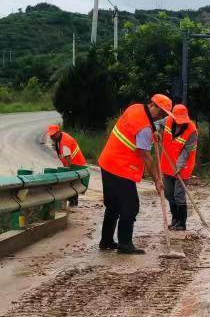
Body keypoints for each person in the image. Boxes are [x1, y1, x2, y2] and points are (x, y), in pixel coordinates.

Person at [97, 94, 172, 254]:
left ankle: (107, 241)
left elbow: (140, 127)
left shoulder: (135, 108)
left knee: (113, 206)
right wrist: (157, 180)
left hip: (108, 162)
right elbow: (146, 155)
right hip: (121, 168)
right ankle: (125, 244)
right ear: (154, 106)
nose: (162, 116)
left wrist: (154, 133)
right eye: (162, 113)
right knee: (130, 207)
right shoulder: (144, 128)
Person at [157, 104, 197, 231]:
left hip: (183, 167)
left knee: (178, 194)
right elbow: (156, 124)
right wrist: (156, 130)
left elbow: (186, 152)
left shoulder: (192, 131)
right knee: (169, 194)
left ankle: (181, 223)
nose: (180, 123)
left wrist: (179, 166)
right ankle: (174, 220)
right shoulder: (168, 120)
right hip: (167, 165)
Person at [48, 124, 87, 206]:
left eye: (54, 135)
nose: (52, 137)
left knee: (71, 189)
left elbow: (68, 160)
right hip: (75, 166)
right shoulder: (59, 139)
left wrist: (66, 174)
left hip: (77, 166)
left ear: (58, 132)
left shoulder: (64, 142)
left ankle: (72, 205)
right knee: (72, 189)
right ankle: (72, 207)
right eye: (51, 136)